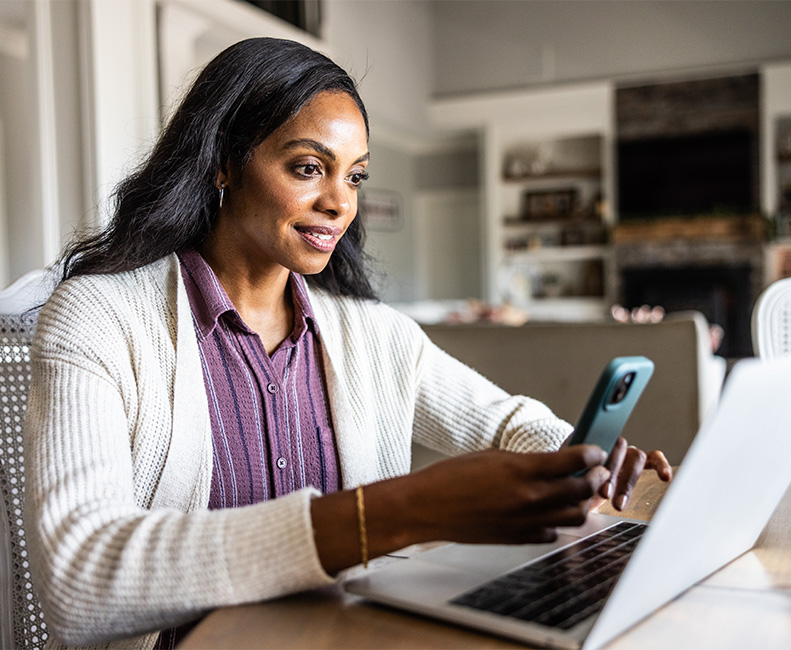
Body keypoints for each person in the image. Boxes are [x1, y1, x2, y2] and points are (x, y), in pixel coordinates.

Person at [23, 37, 671, 650]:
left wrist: (579, 453)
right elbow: (79, 579)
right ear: (222, 161)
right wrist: (394, 513)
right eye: (308, 168)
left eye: (355, 176)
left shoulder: (372, 334)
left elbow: (507, 423)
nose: (339, 202)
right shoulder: (99, 318)